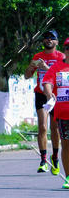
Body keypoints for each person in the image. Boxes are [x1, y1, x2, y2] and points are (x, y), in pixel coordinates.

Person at [25, 29, 64, 174]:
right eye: (46, 38)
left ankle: (55, 158)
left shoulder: (61, 57)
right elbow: (27, 76)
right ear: (43, 41)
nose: (49, 40)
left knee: (55, 129)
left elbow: (62, 76)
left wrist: (47, 68)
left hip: (56, 95)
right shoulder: (38, 56)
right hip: (41, 94)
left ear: (57, 42)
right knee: (42, 127)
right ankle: (43, 160)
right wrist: (31, 66)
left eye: (52, 38)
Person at [42, 37, 69, 189]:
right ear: (65, 50)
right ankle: (68, 177)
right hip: (63, 113)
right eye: (68, 48)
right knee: (66, 146)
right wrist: (49, 93)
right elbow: (47, 82)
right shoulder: (57, 67)